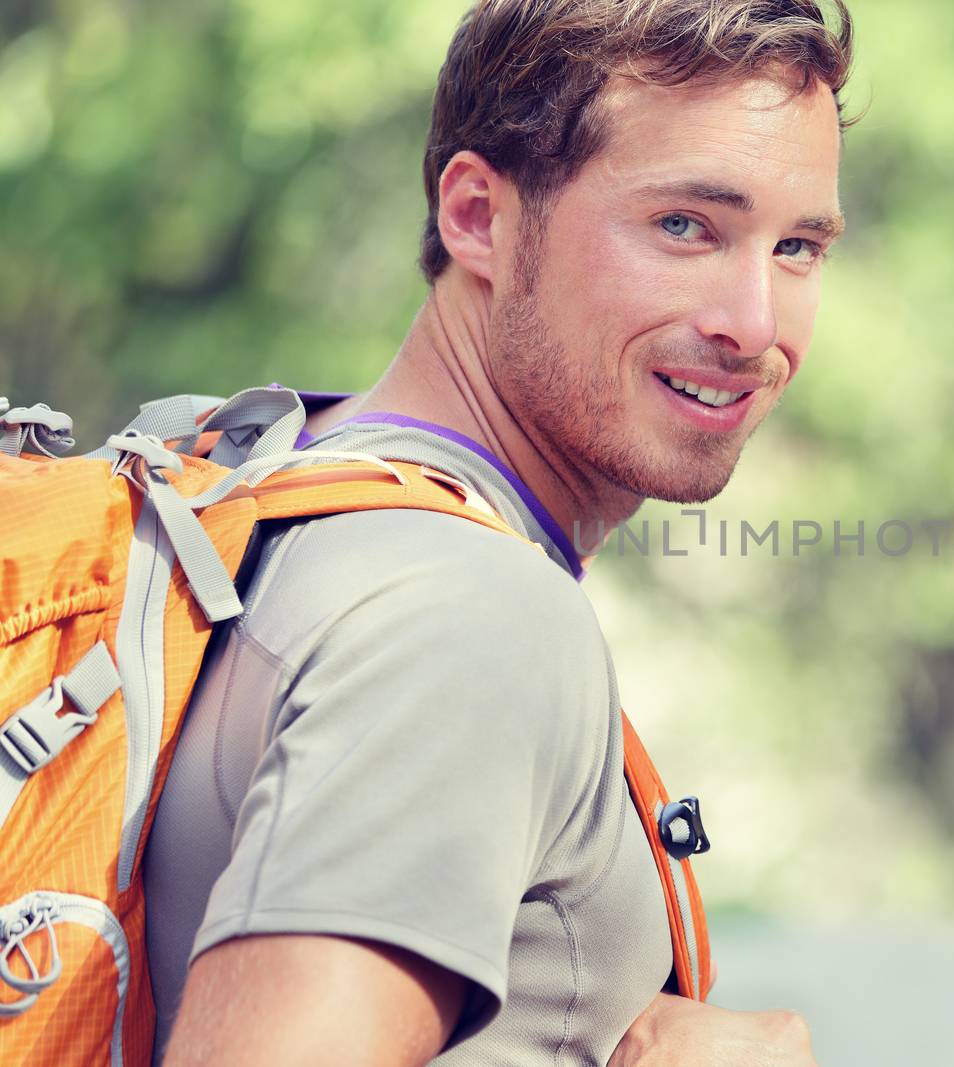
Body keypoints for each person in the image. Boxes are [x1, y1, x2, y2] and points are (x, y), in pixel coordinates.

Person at [141, 1, 853, 1063]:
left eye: (796, 246)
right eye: (685, 226)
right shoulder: (464, 617)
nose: (755, 324)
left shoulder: (248, 477)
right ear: (478, 215)